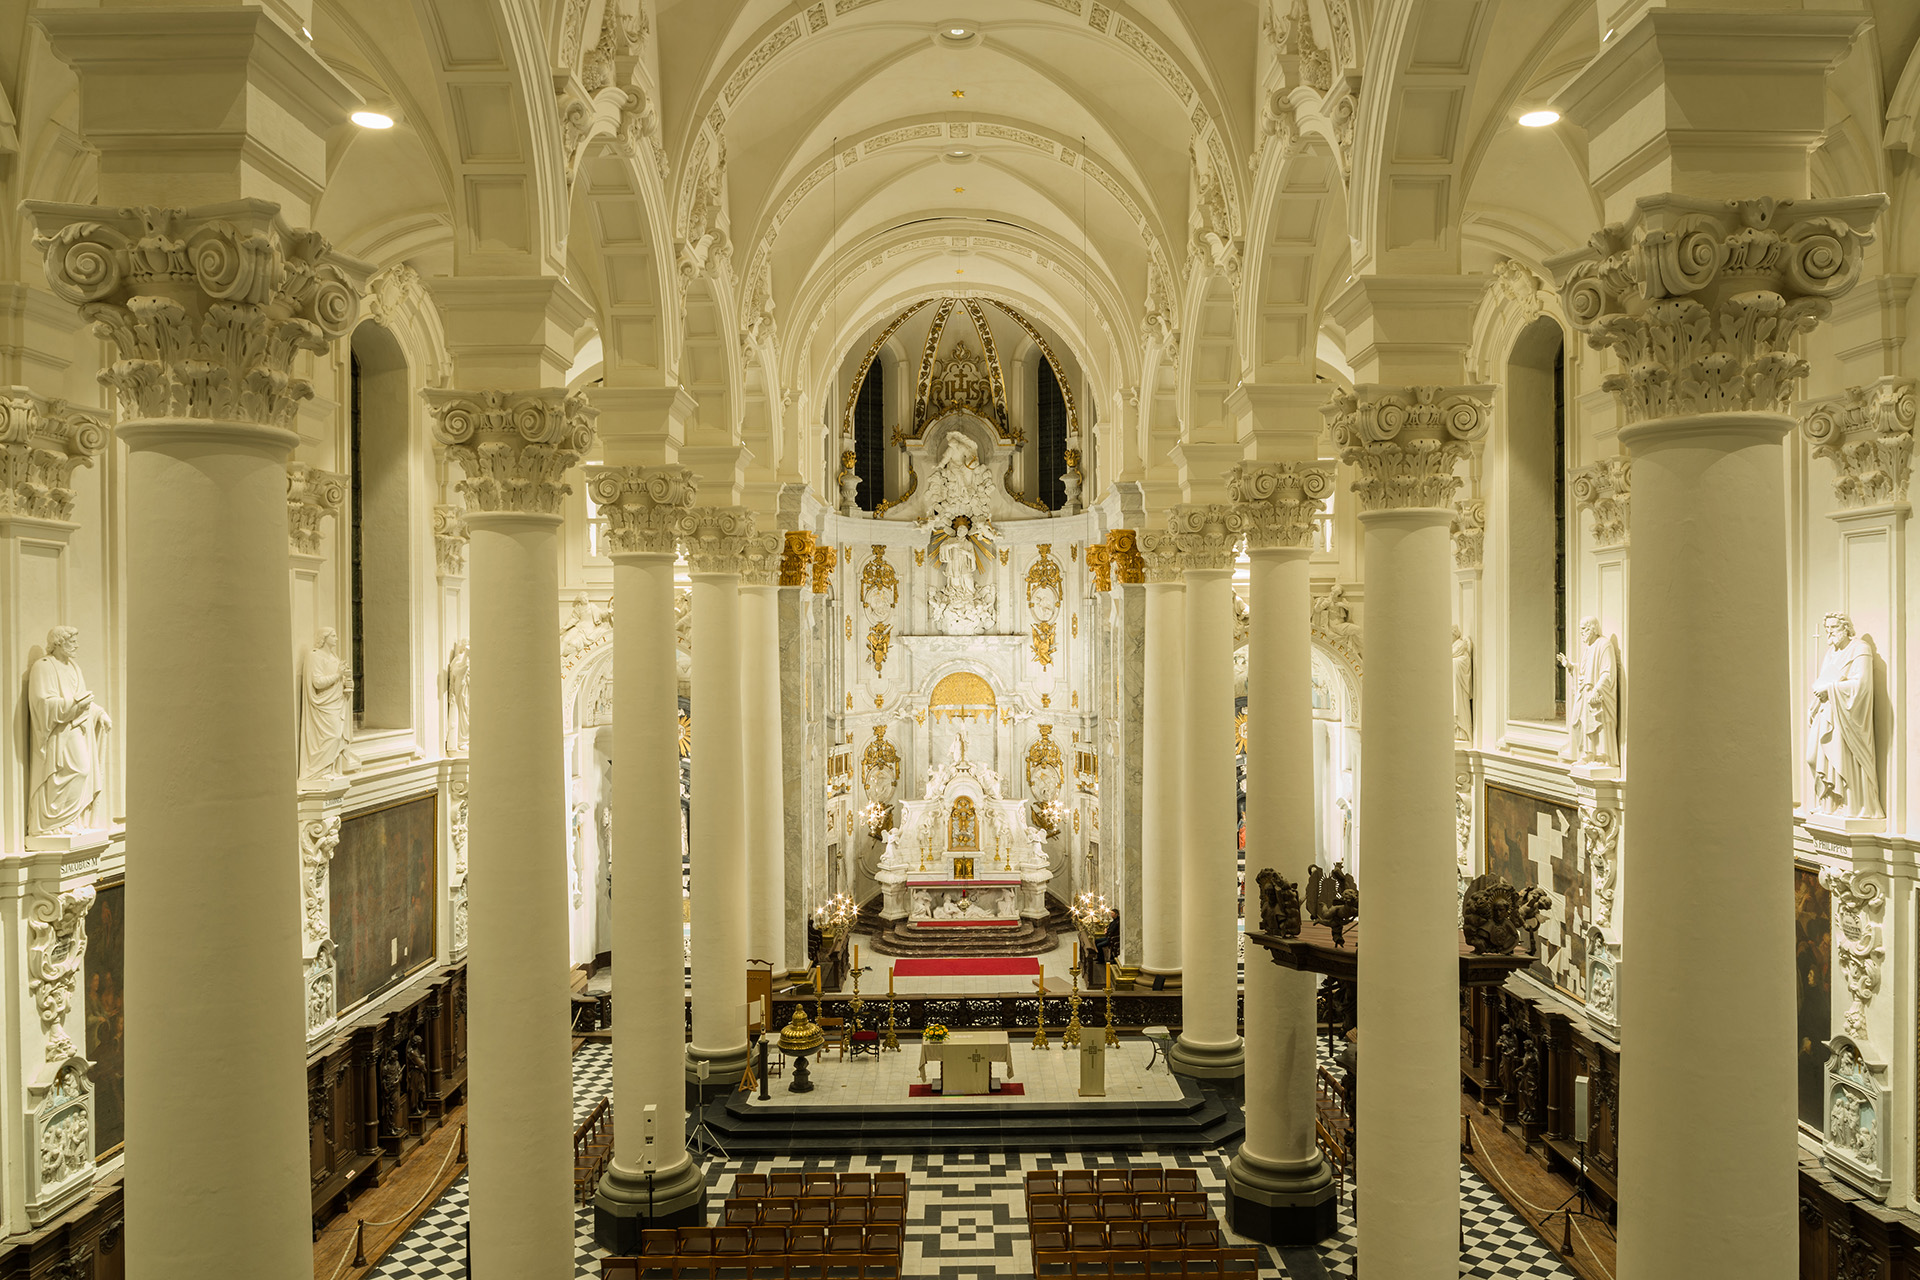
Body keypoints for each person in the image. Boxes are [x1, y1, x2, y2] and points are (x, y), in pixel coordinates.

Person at [27, 627, 112, 835]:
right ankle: (53, 822)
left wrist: (99, 713)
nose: (76, 645)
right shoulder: (43, 667)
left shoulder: (74, 668)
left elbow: (84, 700)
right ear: (58, 643)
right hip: (58, 732)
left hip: (76, 727)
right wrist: (72, 704)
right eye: (71, 641)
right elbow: (42, 704)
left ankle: (69, 819)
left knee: (82, 770)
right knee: (76, 770)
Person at [1807, 612, 1882, 818]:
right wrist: (1813, 706)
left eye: (1834, 627)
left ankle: (1850, 804)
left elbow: (1862, 685)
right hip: (1827, 711)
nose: (1829, 632)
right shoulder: (1830, 653)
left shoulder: (1860, 649)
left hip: (1846, 717)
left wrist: (1831, 690)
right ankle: (1828, 803)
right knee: (1812, 757)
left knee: (1839, 757)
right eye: (1827, 628)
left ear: (1846, 628)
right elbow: (1823, 681)